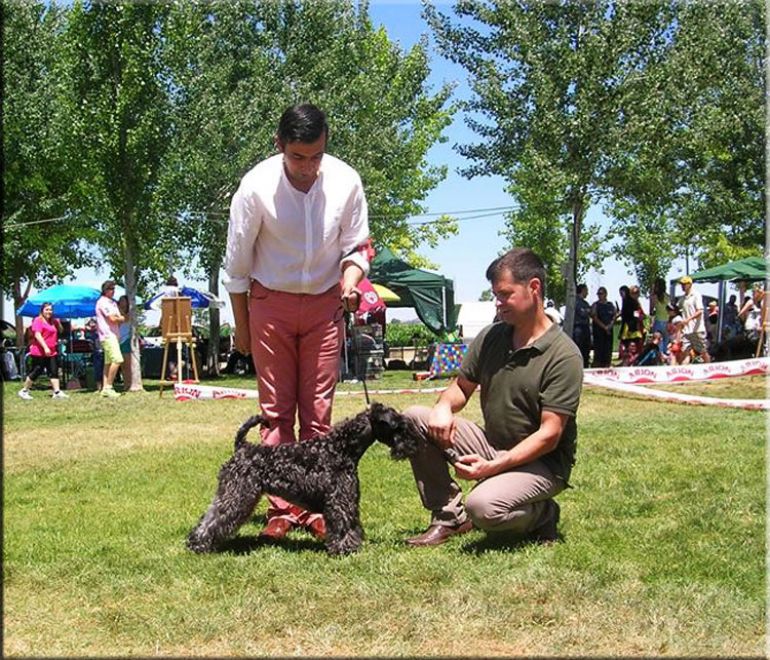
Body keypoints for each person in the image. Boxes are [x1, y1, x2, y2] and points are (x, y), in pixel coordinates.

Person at [224, 103, 370, 542]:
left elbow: (358, 246)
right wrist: (243, 331)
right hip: (270, 303)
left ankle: (317, 508)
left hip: (327, 304)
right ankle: (281, 509)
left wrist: (350, 281)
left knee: (319, 414)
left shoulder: (346, 181)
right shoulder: (255, 188)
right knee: (275, 413)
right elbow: (235, 268)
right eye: (297, 158)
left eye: (316, 157)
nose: (307, 168)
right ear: (279, 146)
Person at [403, 248, 583, 547]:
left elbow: (549, 435)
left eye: (504, 295)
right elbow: (461, 388)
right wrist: (443, 407)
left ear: (534, 288)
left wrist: (493, 468)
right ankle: (448, 517)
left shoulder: (563, 355)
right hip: (492, 445)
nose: (497, 304)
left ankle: (543, 514)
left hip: (542, 463)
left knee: (483, 508)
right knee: (412, 418)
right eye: (495, 295)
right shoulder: (491, 337)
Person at [18, 302, 69, 400]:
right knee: (37, 370)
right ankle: (24, 391)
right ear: (42, 311)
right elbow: (37, 335)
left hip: (52, 351)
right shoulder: (38, 320)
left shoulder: (53, 321)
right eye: (47, 310)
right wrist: (45, 347)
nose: (49, 312)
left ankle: (57, 392)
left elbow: (60, 331)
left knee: (54, 370)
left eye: (50, 310)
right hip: (39, 351)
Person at [95, 280, 125, 397]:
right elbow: (113, 318)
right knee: (117, 359)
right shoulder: (102, 302)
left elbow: (119, 316)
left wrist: (119, 318)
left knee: (108, 363)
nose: (113, 291)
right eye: (110, 289)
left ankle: (104, 388)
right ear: (105, 290)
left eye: (114, 289)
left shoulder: (112, 303)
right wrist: (120, 318)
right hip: (107, 335)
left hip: (114, 334)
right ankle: (109, 386)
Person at [677, 275, 711, 363]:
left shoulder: (696, 295)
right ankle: (683, 373)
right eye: (681, 284)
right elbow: (677, 309)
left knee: (703, 352)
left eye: (684, 284)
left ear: (690, 284)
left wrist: (688, 319)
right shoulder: (682, 298)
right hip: (686, 331)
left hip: (697, 330)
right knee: (685, 352)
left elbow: (700, 311)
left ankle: (709, 368)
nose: (682, 286)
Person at [619, 285, 646, 365]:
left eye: (637, 293)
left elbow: (639, 315)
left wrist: (641, 317)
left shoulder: (634, 302)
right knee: (627, 347)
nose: (636, 295)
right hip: (628, 328)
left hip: (634, 328)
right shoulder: (627, 301)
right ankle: (627, 362)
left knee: (635, 347)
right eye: (634, 293)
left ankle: (634, 362)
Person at [590, 286, 616, 368]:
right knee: (598, 353)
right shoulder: (595, 305)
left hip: (609, 332)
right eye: (598, 294)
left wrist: (610, 325)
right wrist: (604, 327)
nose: (599, 295)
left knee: (607, 352)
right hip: (599, 332)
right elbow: (594, 317)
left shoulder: (610, 305)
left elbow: (614, 316)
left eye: (601, 293)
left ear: (605, 294)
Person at [572, 283, 592, 368]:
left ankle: (585, 366)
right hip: (579, 328)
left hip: (586, 328)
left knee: (586, 349)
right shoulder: (576, 301)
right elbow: (583, 313)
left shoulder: (585, 303)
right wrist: (588, 311)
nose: (587, 293)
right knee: (579, 348)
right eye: (586, 290)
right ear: (582, 290)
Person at [649, 278, 670, 354]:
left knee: (658, 340)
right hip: (667, 321)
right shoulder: (668, 296)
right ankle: (665, 355)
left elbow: (651, 309)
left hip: (658, 320)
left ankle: (660, 356)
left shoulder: (655, 297)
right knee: (666, 340)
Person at [117, 295, 133, 390]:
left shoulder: (129, 313)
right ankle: (125, 384)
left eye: (123, 301)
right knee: (122, 365)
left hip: (127, 339)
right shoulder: (117, 313)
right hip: (119, 340)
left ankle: (130, 383)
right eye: (120, 301)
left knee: (128, 364)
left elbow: (126, 318)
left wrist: (119, 309)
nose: (122, 303)